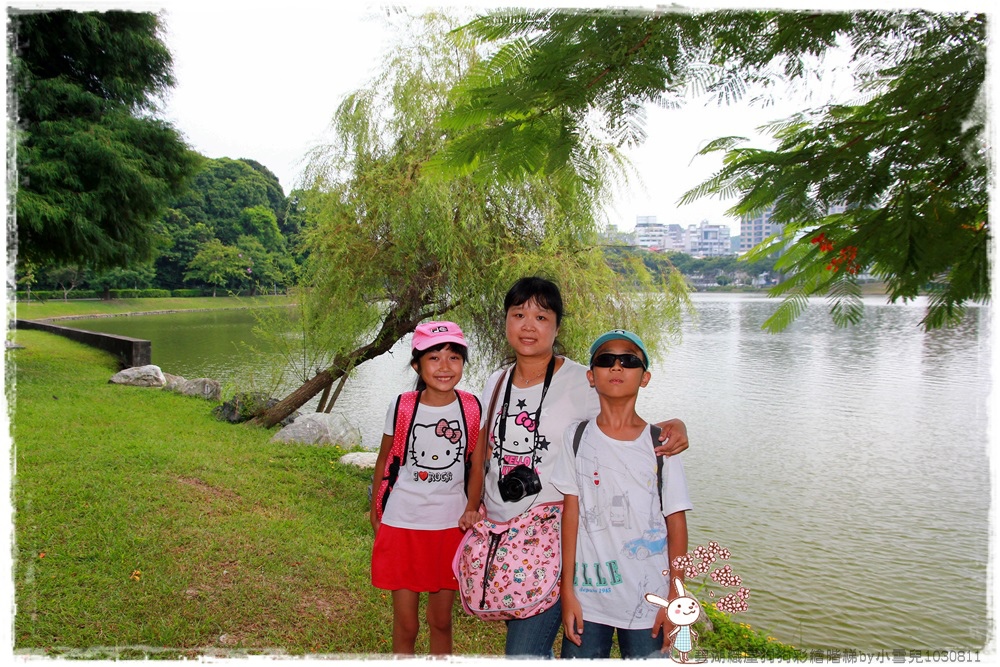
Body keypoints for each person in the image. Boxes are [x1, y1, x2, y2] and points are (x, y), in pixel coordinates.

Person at [463, 277, 689, 657]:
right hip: (503, 537)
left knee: (523, 653)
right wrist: (472, 506)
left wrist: (674, 425)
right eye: (518, 315)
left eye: (541, 316)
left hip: (552, 540)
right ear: (505, 322)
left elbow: (622, 414)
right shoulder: (496, 380)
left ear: (557, 326)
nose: (528, 325)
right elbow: (482, 449)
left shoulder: (579, 379)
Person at [552, 329, 692, 659]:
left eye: (628, 360)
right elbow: (570, 514)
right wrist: (567, 590)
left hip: (650, 603)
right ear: (591, 375)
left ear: (644, 378)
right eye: (606, 360)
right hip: (589, 599)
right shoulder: (577, 437)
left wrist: (676, 594)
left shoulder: (661, 444)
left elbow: (677, 524)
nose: (617, 367)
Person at [370, 321, 482, 655]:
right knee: (406, 624)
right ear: (418, 364)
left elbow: (477, 464)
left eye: (454, 357)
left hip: (449, 528)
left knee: (441, 621)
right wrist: (377, 513)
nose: (445, 367)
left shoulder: (472, 407)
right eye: (434, 358)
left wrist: (471, 507)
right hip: (403, 524)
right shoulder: (404, 406)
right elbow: (384, 462)